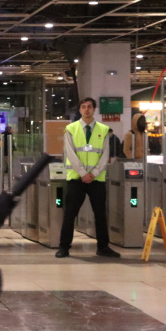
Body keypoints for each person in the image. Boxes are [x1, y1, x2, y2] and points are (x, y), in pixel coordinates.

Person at [56, 98, 121, 259]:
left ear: (94, 109)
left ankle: (103, 247)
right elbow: (70, 153)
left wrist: (94, 173)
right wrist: (83, 173)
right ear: (80, 110)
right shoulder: (70, 129)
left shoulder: (104, 130)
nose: (86, 110)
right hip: (76, 179)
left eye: (89, 107)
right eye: (83, 107)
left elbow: (105, 154)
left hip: (96, 180)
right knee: (70, 214)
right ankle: (64, 247)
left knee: (100, 214)